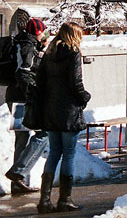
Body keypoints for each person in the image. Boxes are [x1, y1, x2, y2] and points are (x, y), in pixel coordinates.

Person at [28, 22, 91, 213]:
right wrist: (85, 97)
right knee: (69, 154)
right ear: (74, 36)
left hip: (51, 110)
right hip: (69, 111)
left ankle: (44, 201)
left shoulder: (49, 54)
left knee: (54, 152)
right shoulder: (73, 53)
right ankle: (65, 199)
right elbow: (76, 82)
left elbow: (40, 82)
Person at [3, 18, 49, 194]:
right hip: (22, 99)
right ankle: (19, 173)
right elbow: (23, 72)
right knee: (43, 133)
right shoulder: (27, 46)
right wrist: (32, 95)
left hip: (15, 97)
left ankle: (18, 182)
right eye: (42, 32)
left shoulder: (23, 44)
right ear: (38, 32)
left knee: (22, 139)